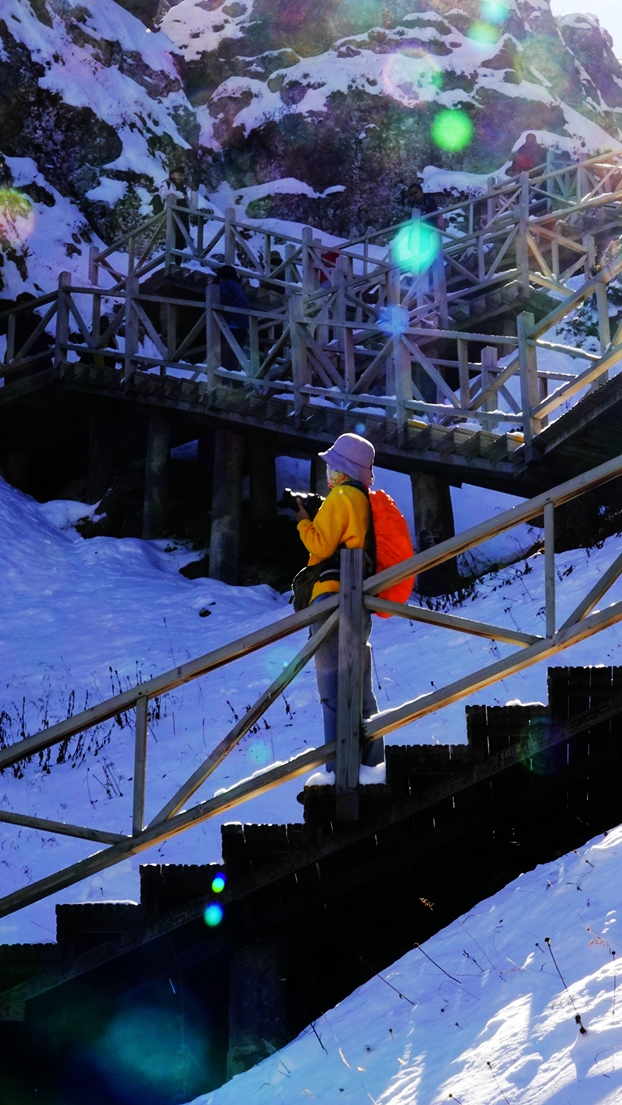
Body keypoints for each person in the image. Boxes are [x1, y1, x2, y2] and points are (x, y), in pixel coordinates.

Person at [294, 433, 383, 774]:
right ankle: (373, 766)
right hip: (358, 600)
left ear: (342, 470)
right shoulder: (363, 499)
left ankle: (337, 774)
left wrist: (303, 520)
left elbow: (320, 544)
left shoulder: (342, 495)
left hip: (331, 599)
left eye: (332, 466)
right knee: (361, 692)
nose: (328, 471)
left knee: (332, 694)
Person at [212, 266, 250, 371]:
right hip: (242, 329)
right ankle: (234, 381)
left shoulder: (225, 284)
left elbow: (222, 301)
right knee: (233, 362)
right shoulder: (239, 288)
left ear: (222, 277)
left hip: (229, 327)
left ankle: (221, 380)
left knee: (222, 362)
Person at [151, 166, 190, 259]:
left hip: (183, 214)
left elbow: (189, 202)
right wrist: (180, 195)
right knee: (173, 235)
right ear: (171, 175)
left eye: (182, 173)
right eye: (177, 172)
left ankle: (178, 261)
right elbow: (164, 193)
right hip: (172, 213)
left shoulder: (184, 187)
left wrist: (194, 192)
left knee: (183, 236)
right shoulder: (166, 183)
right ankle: (171, 260)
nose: (180, 174)